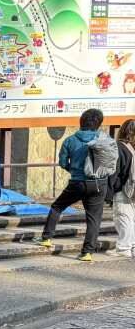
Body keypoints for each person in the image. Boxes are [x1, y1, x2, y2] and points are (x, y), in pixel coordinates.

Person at [39, 108, 109, 262]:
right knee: (94, 218)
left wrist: (74, 170)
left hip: (77, 182)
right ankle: (87, 253)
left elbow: (63, 162)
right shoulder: (105, 139)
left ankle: (47, 238)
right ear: (99, 124)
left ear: (81, 122)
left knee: (57, 207)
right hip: (99, 183)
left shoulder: (70, 140)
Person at [114, 119, 135, 257]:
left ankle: (123, 249)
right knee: (131, 219)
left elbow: (116, 171)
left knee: (123, 217)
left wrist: (114, 188)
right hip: (132, 190)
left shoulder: (120, 147)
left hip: (125, 190)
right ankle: (132, 246)